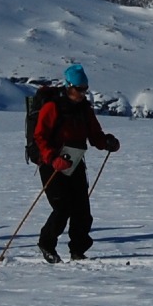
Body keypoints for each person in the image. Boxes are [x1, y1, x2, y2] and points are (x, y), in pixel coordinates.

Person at [31, 64, 120, 262]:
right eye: (80, 89)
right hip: (52, 164)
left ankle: (78, 250)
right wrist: (52, 158)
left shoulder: (84, 109)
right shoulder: (52, 107)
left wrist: (106, 142)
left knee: (82, 209)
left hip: (75, 162)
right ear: (69, 86)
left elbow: (94, 135)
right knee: (62, 208)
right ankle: (46, 245)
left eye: (85, 89)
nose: (83, 93)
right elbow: (40, 136)